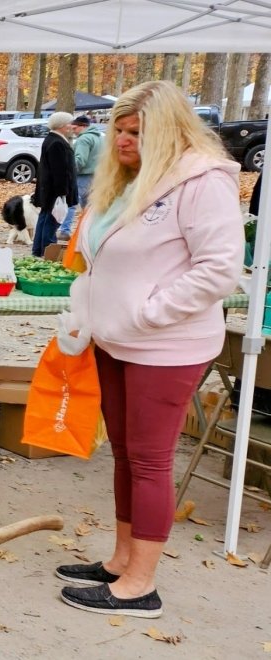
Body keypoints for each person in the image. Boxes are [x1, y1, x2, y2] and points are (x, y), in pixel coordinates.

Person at [56, 80, 243, 618]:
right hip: (115, 340)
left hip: (166, 344)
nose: (122, 140)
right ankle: (120, 560)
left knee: (150, 459)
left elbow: (219, 271)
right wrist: (87, 315)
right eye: (119, 128)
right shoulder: (127, 182)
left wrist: (148, 312)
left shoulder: (202, 183)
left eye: (137, 131)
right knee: (123, 454)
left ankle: (141, 584)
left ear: (168, 132)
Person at [32, 111, 77, 256]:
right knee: (52, 221)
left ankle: (39, 250)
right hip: (55, 190)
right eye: (70, 123)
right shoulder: (57, 143)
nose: (72, 126)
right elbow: (60, 170)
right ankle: (48, 251)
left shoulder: (52, 139)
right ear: (62, 125)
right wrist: (63, 192)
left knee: (45, 218)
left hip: (49, 189)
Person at [71, 115, 103, 208]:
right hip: (98, 175)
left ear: (83, 126)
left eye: (75, 128)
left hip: (83, 177)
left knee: (78, 204)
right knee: (92, 205)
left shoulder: (83, 139)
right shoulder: (99, 137)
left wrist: (70, 173)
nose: (73, 131)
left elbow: (80, 160)